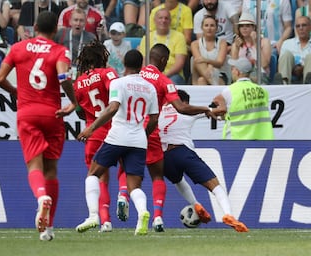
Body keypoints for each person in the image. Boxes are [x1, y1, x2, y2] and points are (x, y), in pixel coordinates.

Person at [116, 43, 223, 232]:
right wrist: (207, 109)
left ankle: (123, 196)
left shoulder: (132, 77)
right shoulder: (164, 81)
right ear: (164, 60)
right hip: (151, 131)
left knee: (126, 167)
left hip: (129, 127)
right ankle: (157, 218)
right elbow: (181, 108)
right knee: (157, 176)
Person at [0, 11, 78, 241]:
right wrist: (73, 101)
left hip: (28, 113)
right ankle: (49, 229)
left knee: (34, 166)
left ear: (33, 27)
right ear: (55, 31)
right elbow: (63, 78)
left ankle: (41, 197)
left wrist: (17, 93)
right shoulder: (60, 50)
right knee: (51, 169)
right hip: (53, 113)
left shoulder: (18, 48)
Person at [75, 49, 159, 236]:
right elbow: (154, 118)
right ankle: (143, 213)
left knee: (93, 175)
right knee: (134, 186)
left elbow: (113, 108)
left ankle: (93, 216)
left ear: (124, 63)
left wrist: (91, 128)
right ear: (141, 65)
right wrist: (143, 134)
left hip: (117, 136)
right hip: (138, 140)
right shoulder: (149, 87)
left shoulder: (118, 82)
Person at [158, 89, 249, 232]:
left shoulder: (159, 111)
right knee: (215, 186)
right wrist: (218, 108)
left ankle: (195, 204)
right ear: (185, 103)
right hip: (183, 151)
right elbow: (220, 110)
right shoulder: (187, 110)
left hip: (164, 157)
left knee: (178, 180)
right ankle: (228, 214)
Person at [73, 40, 118, 232]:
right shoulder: (108, 73)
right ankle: (125, 199)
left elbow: (80, 111)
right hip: (116, 132)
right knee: (127, 173)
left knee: (99, 178)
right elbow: (118, 97)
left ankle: (104, 220)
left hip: (93, 134)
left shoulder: (78, 82)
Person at [212, 57, 274, 140]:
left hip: (236, 139)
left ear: (237, 72)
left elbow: (221, 110)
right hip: (261, 139)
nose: (232, 71)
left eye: (233, 69)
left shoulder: (229, 91)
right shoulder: (262, 91)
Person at [138, 8, 187, 85]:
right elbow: (144, 61)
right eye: (160, 18)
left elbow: (179, 63)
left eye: (166, 18)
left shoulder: (179, 37)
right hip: (150, 74)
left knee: (172, 82)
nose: (163, 20)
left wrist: (162, 77)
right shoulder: (147, 38)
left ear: (170, 21)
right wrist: (152, 76)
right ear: (154, 20)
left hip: (172, 75)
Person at [54, 8, 96, 81]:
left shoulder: (91, 38)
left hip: (82, 73)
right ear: (70, 21)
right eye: (76, 20)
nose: (78, 23)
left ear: (85, 23)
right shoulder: (61, 33)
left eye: (81, 20)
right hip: (63, 71)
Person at [231, 12, 271, 85]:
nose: (244, 28)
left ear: (254, 28)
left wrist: (256, 43)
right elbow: (233, 66)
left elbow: (264, 64)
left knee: (254, 76)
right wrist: (237, 48)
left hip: (259, 74)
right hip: (241, 75)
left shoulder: (264, 42)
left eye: (248, 26)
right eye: (242, 26)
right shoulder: (235, 44)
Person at [190, 15, 229, 85]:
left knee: (202, 80)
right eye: (206, 25)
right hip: (201, 74)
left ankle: (213, 83)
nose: (209, 28)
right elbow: (199, 61)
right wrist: (209, 65)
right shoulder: (195, 44)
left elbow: (220, 63)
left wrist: (208, 62)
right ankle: (214, 84)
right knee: (201, 78)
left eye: (212, 25)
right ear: (202, 28)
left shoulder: (222, 43)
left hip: (220, 74)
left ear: (216, 28)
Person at [274, 16, 311, 85]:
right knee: (286, 55)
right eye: (298, 26)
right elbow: (282, 63)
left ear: (310, 27)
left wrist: (303, 68)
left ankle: (309, 85)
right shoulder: (287, 43)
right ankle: (283, 83)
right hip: (291, 71)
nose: (301, 28)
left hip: (308, 73)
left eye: (304, 25)